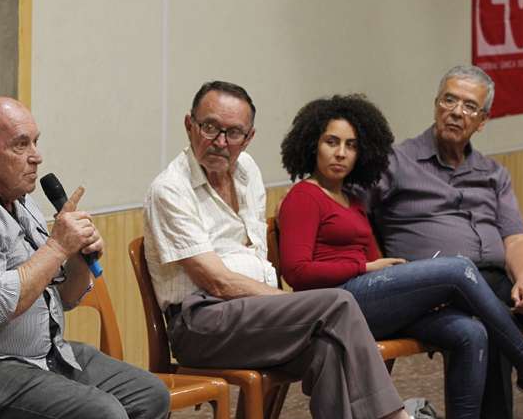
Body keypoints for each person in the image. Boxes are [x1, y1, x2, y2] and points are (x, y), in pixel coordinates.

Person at [277, 93, 523, 419]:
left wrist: (419, 293)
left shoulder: (352, 201)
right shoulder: (303, 196)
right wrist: (364, 266)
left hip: (370, 300)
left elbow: (376, 263)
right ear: (313, 144)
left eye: (351, 145)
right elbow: (296, 272)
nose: (341, 153)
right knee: (457, 267)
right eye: (331, 142)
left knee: (471, 332)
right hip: (334, 306)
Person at [144, 80, 410, 419]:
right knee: (337, 302)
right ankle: (396, 416)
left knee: (328, 349)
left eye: (234, 133)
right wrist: (296, 303)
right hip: (200, 324)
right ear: (189, 125)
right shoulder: (170, 189)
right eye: (210, 127)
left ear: (249, 137)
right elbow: (219, 283)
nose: (220, 142)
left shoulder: (248, 172)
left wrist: (292, 305)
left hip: (253, 315)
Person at [0, 96, 170, 419]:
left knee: (150, 395)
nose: (36, 157)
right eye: (20, 145)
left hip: (40, 354)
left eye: (36, 142)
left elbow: (65, 298)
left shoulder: (20, 201)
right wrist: (57, 247)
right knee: (102, 413)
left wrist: (78, 258)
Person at [368, 65, 523, 419]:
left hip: (496, 277)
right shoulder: (396, 162)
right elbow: (352, 215)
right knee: (495, 321)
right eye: (449, 100)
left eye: (469, 107)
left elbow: (514, 236)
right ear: (436, 105)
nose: (456, 112)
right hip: (438, 287)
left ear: (483, 121)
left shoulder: (493, 172)